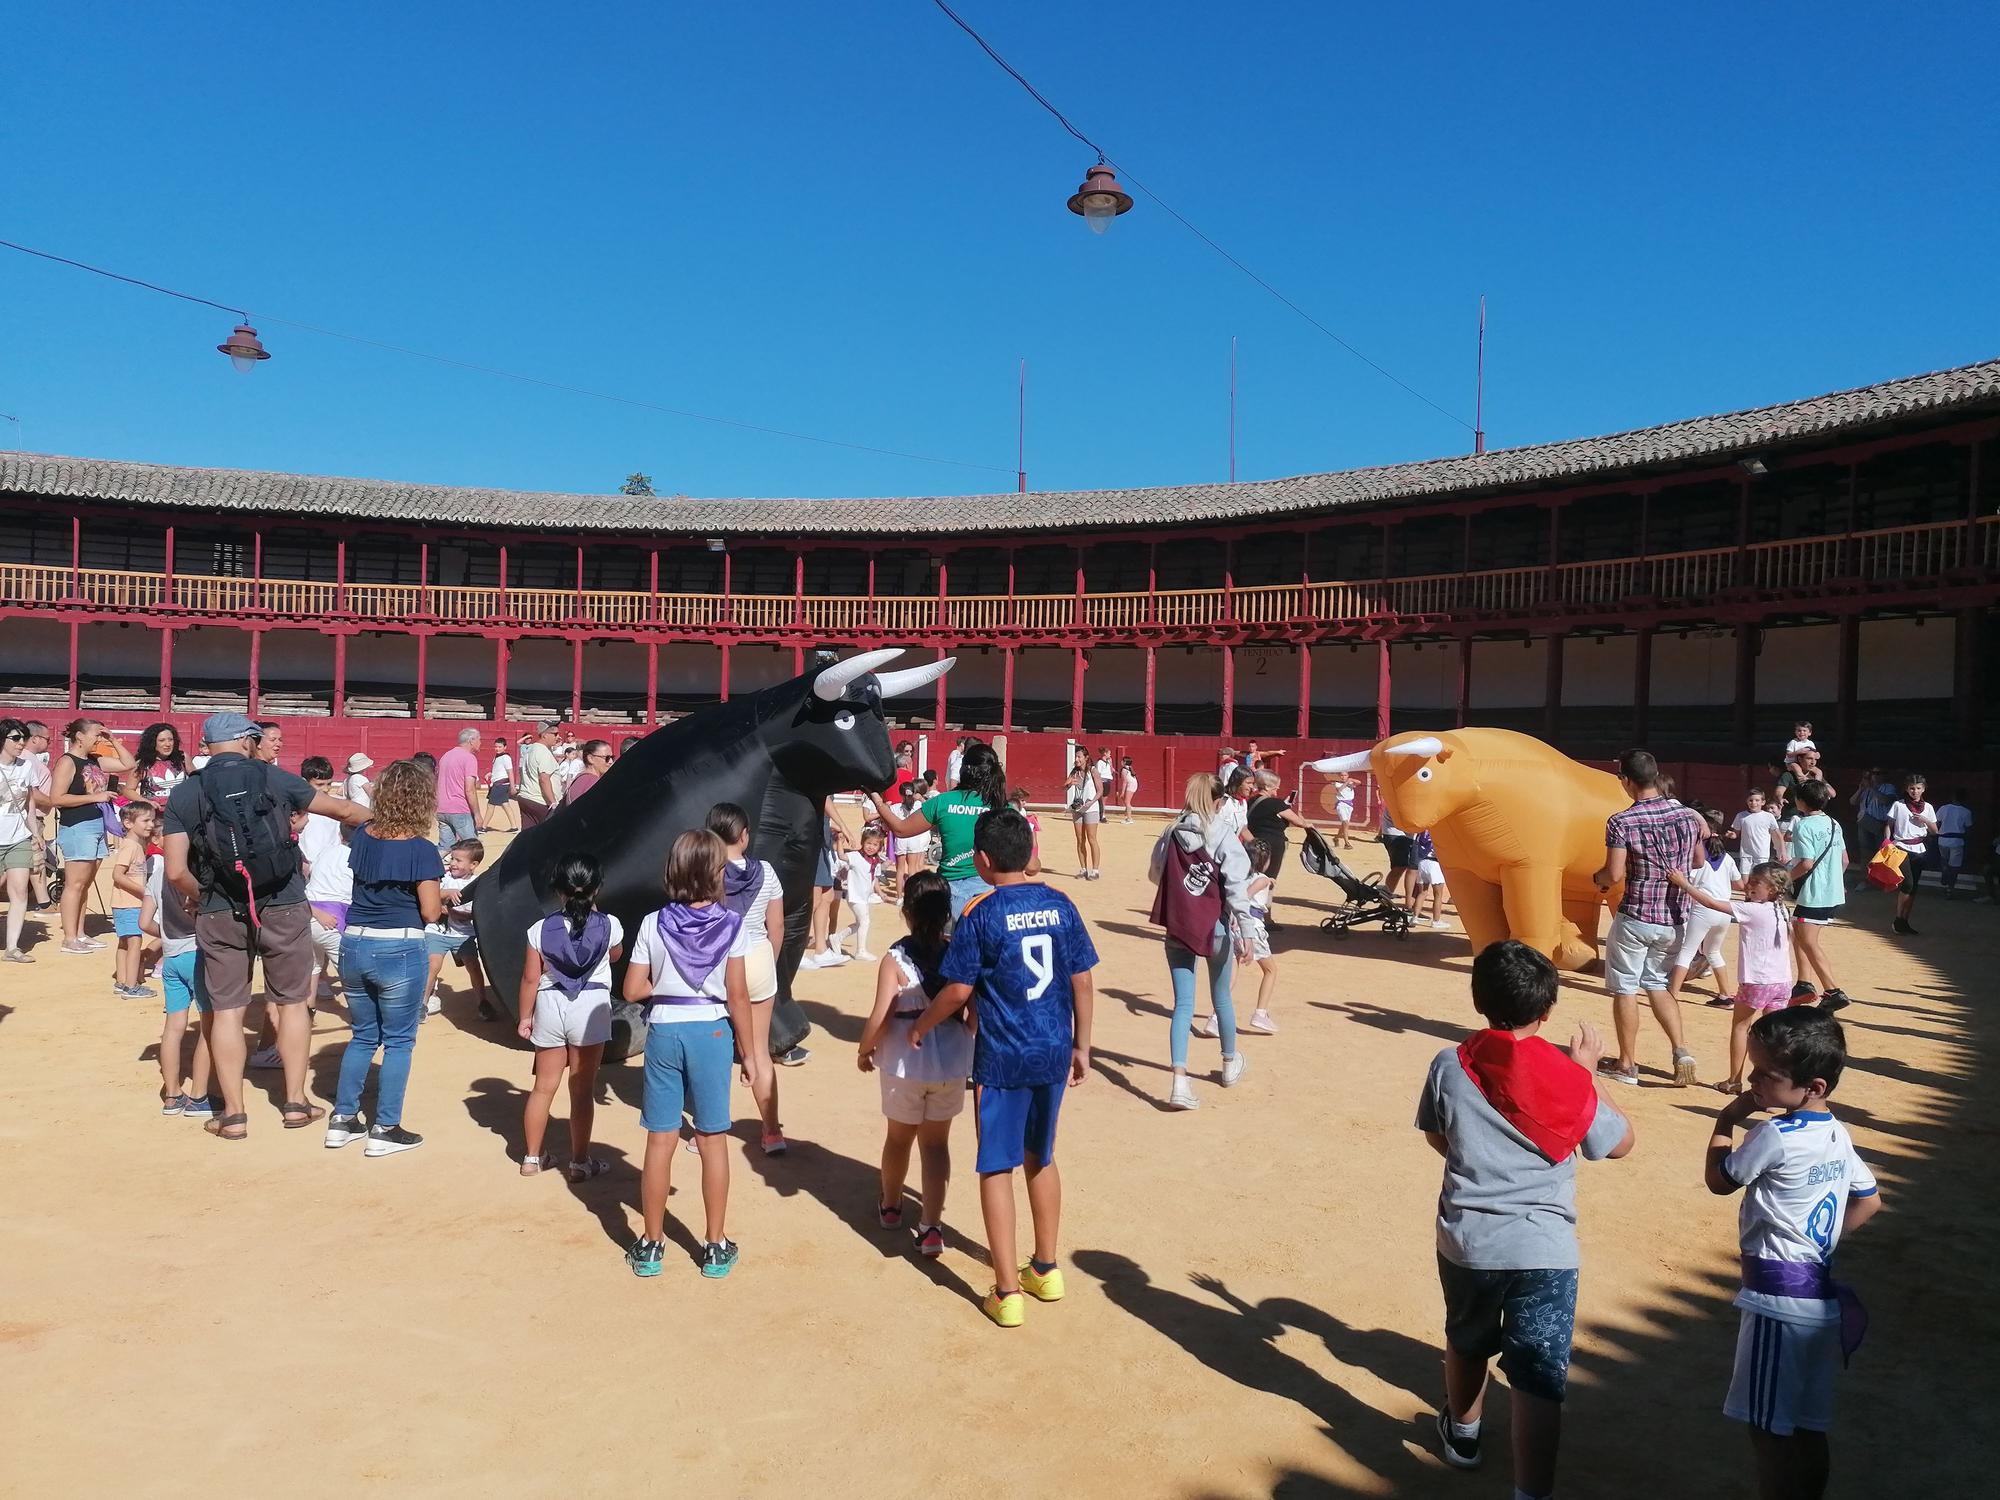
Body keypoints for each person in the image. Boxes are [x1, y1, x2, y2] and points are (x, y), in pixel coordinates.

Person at [1417, 940, 1635, 1496]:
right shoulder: (1565, 1073)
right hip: (1544, 1249)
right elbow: (1619, 1144)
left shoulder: (1451, 1063)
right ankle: (1531, 1492)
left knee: (1466, 1340)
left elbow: (1439, 1135)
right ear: (1547, 1009)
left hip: (1469, 1239)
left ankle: (1463, 1434)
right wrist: (1587, 1074)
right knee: (1537, 1379)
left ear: (1478, 1000)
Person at [909, 808, 1096, 1327]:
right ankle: (1047, 1268)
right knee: (1042, 1153)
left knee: (996, 1163)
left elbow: (959, 990)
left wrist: (922, 1025)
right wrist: (1083, 1046)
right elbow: (1082, 981)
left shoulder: (980, 912)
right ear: (1029, 854)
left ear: (984, 860)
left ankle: (1008, 1291)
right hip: (1054, 1047)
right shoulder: (1061, 903)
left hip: (1003, 1055)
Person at [163, 713, 365, 1141]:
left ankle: (233, 1115)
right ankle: (295, 1103)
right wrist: (392, 824)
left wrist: (200, 896)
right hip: (284, 900)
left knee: (228, 1011)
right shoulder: (275, 779)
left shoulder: (186, 793)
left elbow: (177, 870)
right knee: (293, 1002)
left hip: (219, 906)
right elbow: (344, 809)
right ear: (247, 741)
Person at [1705, 1008, 1880, 1500]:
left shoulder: (1773, 1136)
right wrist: (1817, 1253)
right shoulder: (1837, 1135)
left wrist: (1725, 1120)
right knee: (1806, 1426)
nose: (1754, 1079)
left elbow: (1720, 1180)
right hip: (1817, 1299)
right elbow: (1870, 1199)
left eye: (1767, 1073)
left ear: (1814, 1086)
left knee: (1767, 1431)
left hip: (1774, 1305)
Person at [621, 829, 752, 1280]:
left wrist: (670, 987)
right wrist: (751, 1055)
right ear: (716, 873)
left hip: (664, 1030)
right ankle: (714, 1246)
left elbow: (633, 989)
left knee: (661, 1138)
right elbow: (738, 997)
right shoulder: (733, 924)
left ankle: (651, 1243)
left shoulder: (654, 923)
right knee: (712, 1139)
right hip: (712, 1031)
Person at [323, 760, 444, 1156]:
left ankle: (343, 1120)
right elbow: (429, 912)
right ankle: (385, 1127)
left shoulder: (363, 837)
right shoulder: (423, 849)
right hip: (400, 945)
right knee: (398, 1042)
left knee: (362, 1036)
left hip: (355, 942)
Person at [856, 868, 969, 1257]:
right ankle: (932, 1226)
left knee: (898, 1138)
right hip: (951, 1060)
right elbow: (972, 1014)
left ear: (906, 911)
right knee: (937, 1145)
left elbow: (880, 1015)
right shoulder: (958, 951)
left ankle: (891, 1206)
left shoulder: (895, 959)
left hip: (904, 1062)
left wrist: (864, 1049)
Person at [1594, 749, 1703, 1087]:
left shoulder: (1621, 821)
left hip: (1638, 913)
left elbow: (1612, 875)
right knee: (1657, 983)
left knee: (1626, 988)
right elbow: (1698, 862)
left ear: (1626, 780)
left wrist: (1596, 879)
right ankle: (1680, 1050)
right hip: (1673, 917)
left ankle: (1627, 1064)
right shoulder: (1688, 816)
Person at [1150, 773, 1253, 1110]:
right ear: (1218, 800)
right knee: (1221, 997)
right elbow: (1237, 887)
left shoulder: (1170, 831)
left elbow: (1155, 873)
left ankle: (1180, 1081)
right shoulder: (1223, 832)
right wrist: (1248, 932)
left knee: (1183, 1004)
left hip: (1179, 925)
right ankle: (1227, 1064)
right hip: (1216, 927)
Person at [516, 851, 621, 1179]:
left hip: (550, 1004)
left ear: (558, 890)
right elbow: (615, 955)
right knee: (581, 1088)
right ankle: (580, 1161)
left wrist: (524, 1016)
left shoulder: (539, 929)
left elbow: (531, 977)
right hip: (590, 1009)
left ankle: (532, 1158)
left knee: (543, 1086)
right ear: (597, 889)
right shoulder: (610, 925)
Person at [1672, 860, 1802, 1094]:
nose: (1749, 886)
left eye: (1756, 883)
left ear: (1771, 889)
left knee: (1741, 1028)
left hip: (1757, 981)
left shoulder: (1752, 909)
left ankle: (1734, 1080)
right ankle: (1776, 1085)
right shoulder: (1782, 910)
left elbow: (1711, 903)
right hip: (1781, 980)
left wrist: (1684, 883)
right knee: (1773, 1037)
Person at [707, 802, 788, 1155]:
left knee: (715, 1051)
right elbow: (778, 927)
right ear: (744, 835)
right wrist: (766, 963)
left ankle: (711, 1126)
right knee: (759, 1052)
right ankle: (771, 1132)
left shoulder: (705, 872)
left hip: (716, 962)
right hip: (756, 957)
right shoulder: (767, 871)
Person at [869, 741, 1009, 920]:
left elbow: (901, 829)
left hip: (949, 892)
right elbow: (1027, 863)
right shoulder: (1002, 807)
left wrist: (878, 801)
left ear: (963, 770)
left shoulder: (943, 801)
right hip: (988, 891)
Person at [49, 718, 133, 954]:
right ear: (80, 736)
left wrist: (113, 739)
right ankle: (69, 937)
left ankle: (80, 932)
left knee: (84, 884)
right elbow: (57, 798)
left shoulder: (94, 760)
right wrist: (93, 797)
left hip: (95, 824)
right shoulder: (67, 761)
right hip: (77, 825)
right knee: (75, 884)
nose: (99, 738)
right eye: (96, 734)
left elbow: (127, 763)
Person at [144, 845, 213, 1114]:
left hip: (171, 957)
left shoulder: (158, 874)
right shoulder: (196, 874)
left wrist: (165, 937)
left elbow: (143, 922)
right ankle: (199, 1097)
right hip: (196, 953)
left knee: (173, 1027)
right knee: (210, 1026)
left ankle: (172, 1095)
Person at [1667, 817, 1739, 1010]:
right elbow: (1739, 883)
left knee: (1687, 951)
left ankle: (1672, 995)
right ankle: (1725, 994)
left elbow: (1686, 882)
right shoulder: (1728, 858)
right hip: (1724, 911)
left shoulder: (1697, 860)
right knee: (1713, 952)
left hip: (1702, 910)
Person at [297, 756, 351, 1002]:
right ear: (305, 783)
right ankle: (317, 979)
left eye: (328, 784)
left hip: (331, 870)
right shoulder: (300, 808)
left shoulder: (336, 805)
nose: (326, 790)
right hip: (310, 872)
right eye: (319, 786)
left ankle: (320, 978)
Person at [423, 838, 490, 1018]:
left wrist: (454, 913)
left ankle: (482, 1002)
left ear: (473, 864)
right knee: (432, 965)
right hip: (437, 931)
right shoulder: (443, 878)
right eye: (452, 859)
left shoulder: (477, 885)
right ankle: (421, 1003)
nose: (452, 863)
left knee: (474, 966)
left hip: (464, 934)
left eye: (458, 860)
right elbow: (429, 896)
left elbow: (477, 913)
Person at [1, 719, 43, 962]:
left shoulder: (26, 766)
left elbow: (29, 803)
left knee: (19, 891)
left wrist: (35, 832)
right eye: (15, 738)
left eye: (23, 738)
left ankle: (12, 948)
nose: (20, 743)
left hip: (18, 836)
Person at [108, 799, 158, 998]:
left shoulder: (134, 845)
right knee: (135, 942)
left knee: (124, 943)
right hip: (130, 903)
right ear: (129, 823)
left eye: (152, 821)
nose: (151, 825)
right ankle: (131, 986)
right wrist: (143, 891)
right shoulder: (130, 846)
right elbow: (117, 875)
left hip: (122, 903)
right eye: (145, 821)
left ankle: (122, 980)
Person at [1883, 772, 1937, 936]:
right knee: (1908, 883)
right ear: (1906, 789)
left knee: (1914, 887)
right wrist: (1887, 841)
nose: (1915, 791)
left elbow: (1935, 831)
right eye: (1912, 788)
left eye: (1918, 788)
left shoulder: (1928, 808)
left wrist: (1925, 820)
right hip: (1901, 846)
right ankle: (1898, 919)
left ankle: (1904, 920)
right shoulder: (1899, 805)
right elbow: (1889, 825)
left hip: (1919, 848)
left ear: (1923, 789)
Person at [1241, 839, 1279, 1035]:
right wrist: (1265, 881)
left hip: (1238, 928)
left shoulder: (1239, 876)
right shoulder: (1262, 880)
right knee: (1270, 970)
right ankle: (1260, 1014)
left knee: (1230, 974)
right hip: (1253, 928)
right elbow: (1246, 897)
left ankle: (1215, 1017)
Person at [832, 825, 887, 962]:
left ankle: (837, 937)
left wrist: (880, 893)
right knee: (865, 921)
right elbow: (842, 856)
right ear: (863, 842)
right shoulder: (856, 856)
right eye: (868, 843)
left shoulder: (876, 861)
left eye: (875, 845)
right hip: (855, 896)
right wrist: (840, 842)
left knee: (859, 923)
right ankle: (860, 951)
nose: (871, 847)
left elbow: (874, 879)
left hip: (864, 897)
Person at [434, 727, 483, 847]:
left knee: (446, 846)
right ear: (471, 741)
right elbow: (470, 789)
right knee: (472, 847)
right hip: (459, 809)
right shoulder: (469, 758)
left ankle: (434, 864)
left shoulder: (446, 756)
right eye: (479, 739)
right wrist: (477, 814)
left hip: (442, 808)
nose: (480, 743)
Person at [1065, 750, 1105, 880]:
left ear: (1086, 758)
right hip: (1077, 808)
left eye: (1079, 756)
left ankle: (1095, 870)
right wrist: (1070, 784)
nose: (1077, 759)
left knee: (1092, 838)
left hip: (1091, 808)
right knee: (1080, 839)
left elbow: (1100, 791)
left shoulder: (1093, 771)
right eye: (1076, 756)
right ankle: (1083, 869)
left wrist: (1091, 802)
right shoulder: (1074, 772)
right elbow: (1063, 787)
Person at [1730, 788, 1786, 879]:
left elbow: (1778, 835)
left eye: (1757, 800)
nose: (1753, 803)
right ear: (1747, 801)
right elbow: (1736, 833)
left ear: (1763, 802)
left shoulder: (1768, 817)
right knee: (1745, 881)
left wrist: (1782, 851)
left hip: (1761, 855)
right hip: (1746, 854)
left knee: (1759, 880)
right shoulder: (1741, 816)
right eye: (1751, 800)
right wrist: (1731, 835)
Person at [515, 721, 561, 829]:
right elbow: (544, 778)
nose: (558, 737)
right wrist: (553, 803)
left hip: (526, 797)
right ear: (545, 735)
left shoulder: (531, 749)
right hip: (540, 801)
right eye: (555, 734)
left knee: (528, 836)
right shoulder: (543, 752)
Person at [1848, 771, 1895, 872]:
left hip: (1880, 824)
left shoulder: (1888, 787)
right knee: (1865, 852)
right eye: (1873, 774)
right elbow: (1852, 801)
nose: (1874, 776)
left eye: (1878, 773)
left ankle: (1879, 879)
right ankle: (1865, 878)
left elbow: (1886, 800)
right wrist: (1861, 789)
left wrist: (1871, 788)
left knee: (1880, 852)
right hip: (1865, 823)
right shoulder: (1866, 789)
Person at [1410, 828, 1454, 930]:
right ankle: (1436, 921)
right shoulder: (1438, 834)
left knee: (1423, 892)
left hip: (1422, 863)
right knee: (1438, 894)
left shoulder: (1422, 833)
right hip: (1434, 864)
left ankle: (1415, 917)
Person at [891, 779, 931, 890]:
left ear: (900, 794)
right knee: (912, 869)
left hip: (901, 839)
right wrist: (921, 799)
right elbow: (931, 806)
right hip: (914, 837)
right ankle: (912, 894)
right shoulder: (918, 805)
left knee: (900, 870)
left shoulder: (895, 807)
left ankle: (899, 897)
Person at [133, 723, 188, 802]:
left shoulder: (182, 758)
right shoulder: (143, 763)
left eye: (170, 740)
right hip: (154, 812)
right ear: (152, 743)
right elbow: (128, 790)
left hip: (180, 811)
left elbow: (197, 780)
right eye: (162, 740)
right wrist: (147, 802)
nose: (168, 744)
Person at [1935, 790, 1973, 898]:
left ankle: (1944, 870)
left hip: (1943, 838)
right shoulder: (1966, 812)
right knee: (1955, 866)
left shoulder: (1944, 808)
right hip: (1957, 840)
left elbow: (1937, 822)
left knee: (1944, 858)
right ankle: (1950, 889)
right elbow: (1968, 827)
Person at [483, 736, 519, 833]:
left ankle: (483, 826)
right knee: (505, 805)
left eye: (499, 747)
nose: (497, 749)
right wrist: (490, 774)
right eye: (496, 747)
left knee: (490, 805)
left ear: (505, 747)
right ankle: (514, 827)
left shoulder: (506, 757)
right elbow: (498, 771)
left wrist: (512, 786)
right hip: (498, 784)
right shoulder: (496, 757)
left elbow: (510, 772)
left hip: (501, 785)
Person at [1008, 786, 1042, 875]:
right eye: (1022, 800)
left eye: (1025, 800)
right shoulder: (1012, 809)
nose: (1025, 803)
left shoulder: (1022, 810)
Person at [564, 739, 611, 804]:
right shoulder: (593, 782)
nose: (610, 761)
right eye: (607, 758)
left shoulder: (580, 778)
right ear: (590, 759)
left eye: (612, 757)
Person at [1331, 770, 1358, 849]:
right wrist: (1347, 782)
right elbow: (1340, 790)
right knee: (1345, 822)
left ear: (1348, 776)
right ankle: (1347, 843)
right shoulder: (1337, 783)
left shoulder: (1350, 783)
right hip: (1341, 804)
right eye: (1342, 775)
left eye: (1345, 775)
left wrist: (1351, 780)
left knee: (1344, 825)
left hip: (1349, 805)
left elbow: (1359, 782)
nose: (1343, 777)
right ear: (1340, 776)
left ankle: (1336, 838)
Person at [1117, 756, 1138, 822]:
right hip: (1134, 784)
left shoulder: (1124, 769)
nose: (1121, 762)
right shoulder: (1129, 768)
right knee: (1127, 801)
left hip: (1130, 785)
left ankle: (1129, 818)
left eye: (1122, 761)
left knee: (1127, 801)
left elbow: (1124, 782)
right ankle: (1128, 813)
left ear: (1124, 762)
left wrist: (1123, 792)